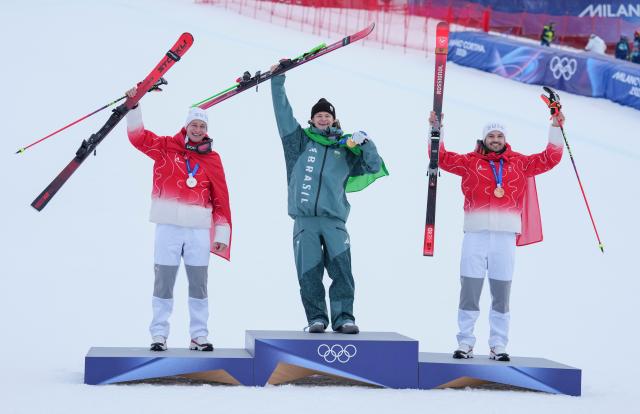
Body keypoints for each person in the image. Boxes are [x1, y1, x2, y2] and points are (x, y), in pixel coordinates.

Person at [428, 97, 565, 362]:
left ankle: (498, 344)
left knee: (501, 293)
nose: (495, 139)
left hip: (505, 237)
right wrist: (437, 130)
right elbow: (441, 157)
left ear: (505, 139)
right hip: (475, 235)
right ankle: (465, 342)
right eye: (491, 135)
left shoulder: (520, 163)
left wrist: (556, 125)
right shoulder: (470, 162)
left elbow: (550, 158)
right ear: (483, 139)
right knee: (469, 290)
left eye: (499, 135)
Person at [269, 62, 388, 334]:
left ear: (334, 119)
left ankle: (344, 317)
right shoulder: (297, 142)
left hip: (334, 221)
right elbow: (282, 113)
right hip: (304, 221)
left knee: (342, 271)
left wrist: (366, 143)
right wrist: (277, 80)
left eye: (327, 115)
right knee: (308, 274)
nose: (323, 119)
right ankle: (317, 318)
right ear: (311, 120)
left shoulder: (345, 148)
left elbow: (373, 166)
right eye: (318, 115)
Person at [125, 87, 232, 352]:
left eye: (201, 126)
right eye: (193, 125)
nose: (197, 129)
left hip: (197, 229)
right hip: (168, 226)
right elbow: (139, 138)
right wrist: (134, 106)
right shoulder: (165, 148)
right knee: (163, 282)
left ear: (206, 130)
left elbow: (221, 198)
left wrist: (220, 235)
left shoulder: (213, 160)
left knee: (199, 284)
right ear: (185, 127)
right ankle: (158, 334)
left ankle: (199, 336)